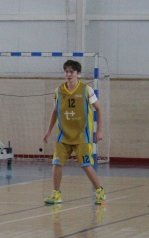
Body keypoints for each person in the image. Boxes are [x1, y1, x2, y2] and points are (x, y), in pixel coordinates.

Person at [43, 60, 106, 206]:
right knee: (57, 163)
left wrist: (99, 130)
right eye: (66, 71)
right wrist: (49, 130)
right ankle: (56, 194)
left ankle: (100, 191)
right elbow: (55, 111)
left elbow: (99, 108)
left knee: (85, 165)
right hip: (63, 135)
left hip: (81, 135)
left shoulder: (86, 90)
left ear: (78, 74)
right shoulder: (59, 91)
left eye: (72, 71)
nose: (68, 74)